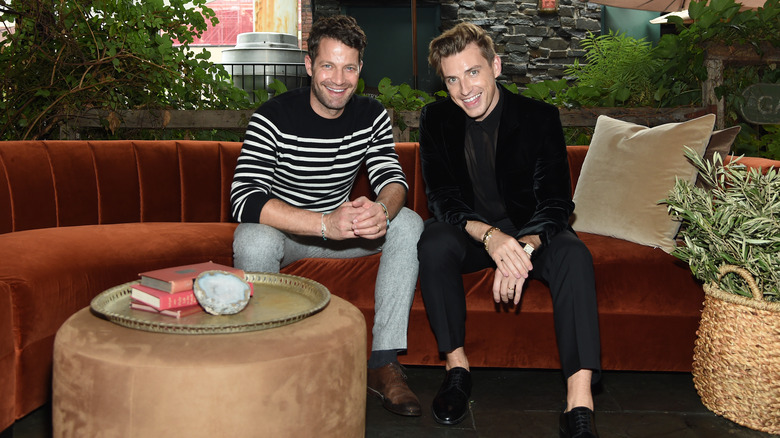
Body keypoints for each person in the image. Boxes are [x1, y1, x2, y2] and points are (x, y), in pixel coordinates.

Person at [230, 15, 424, 417]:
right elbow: (244, 199)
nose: (339, 79)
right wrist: (322, 224)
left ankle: (383, 363)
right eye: (328, 66)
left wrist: (380, 211)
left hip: (343, 234)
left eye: (349, 67)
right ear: (308, 65)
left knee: (409, 222)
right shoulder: (273, 116)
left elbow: (394, 180)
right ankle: (268, 365)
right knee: (252, 238)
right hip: (289, 235)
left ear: (360, 69)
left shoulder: (371, 115)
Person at [417, 22, 602, 437]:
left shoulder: (539, 118)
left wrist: (521, 248)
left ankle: (579, 402)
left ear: (495, 66)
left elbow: (557, 201)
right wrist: (490, 237)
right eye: (452, 79)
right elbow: (442, 199)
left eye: (473, 72)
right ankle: (457, 369)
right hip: (473, 234)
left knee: (575, 254)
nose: (465, 89)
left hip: (531, 231)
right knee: (432, 242)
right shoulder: (436, 119)